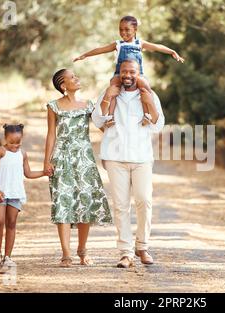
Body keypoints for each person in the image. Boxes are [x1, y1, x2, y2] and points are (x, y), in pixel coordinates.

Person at [92, 59, 165, 268]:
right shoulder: (110, 93)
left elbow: (158, 125)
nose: (128, 75)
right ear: (119, 73)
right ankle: (125, 252)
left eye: (132, 72)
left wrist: (149, 102)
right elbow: (98, 122)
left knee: (144, 200)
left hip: (142, 157)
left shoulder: (149, 95)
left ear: (138, 73)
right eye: (124, 71)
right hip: (115, 157)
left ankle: (142, 246)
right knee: (121, 206)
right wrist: (107, 96)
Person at [44, 69, 112, 267]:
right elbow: (51, 135)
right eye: (72, 77)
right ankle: (66, 253)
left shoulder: (88, 105)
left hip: (84, 159)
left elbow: (103, 126)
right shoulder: (53, 106)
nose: (77, 78)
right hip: (62, 158)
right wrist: (47, 161)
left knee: (85, 202)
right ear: (63, 85)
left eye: (76, 76)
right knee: (62, 202)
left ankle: (82, 250)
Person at [74, 15, 183, 127]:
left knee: (145, 87)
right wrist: (85, 55)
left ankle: (147, 115)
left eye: (127, 30)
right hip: (119, 74)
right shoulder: (118, 44)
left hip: (137, 74)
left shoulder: (140, 43)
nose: (123, 32)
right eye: (121, 29)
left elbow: (157, 47)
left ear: (135, 30)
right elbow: (101, 49)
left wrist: (172, 51)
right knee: (113, 88)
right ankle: (110, 116)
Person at [0, 123, 45, 268]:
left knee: (12, 223)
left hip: (15, 193)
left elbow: (28, 173)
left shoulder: (23, 154)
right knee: (0, 221)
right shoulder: (0, 151)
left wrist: (44, 173)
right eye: (11, 142)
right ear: (5, 138)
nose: (15, 145)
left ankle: (7, 256)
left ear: (22, 138)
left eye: (18, 142)